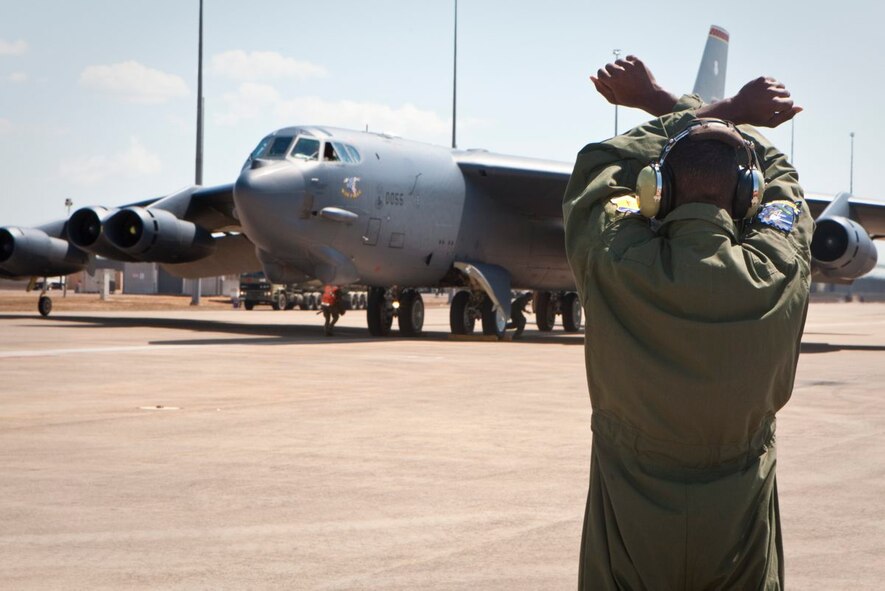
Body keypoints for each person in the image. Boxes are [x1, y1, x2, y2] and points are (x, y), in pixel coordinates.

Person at [564, 55, 811, 589]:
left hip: (627, 530)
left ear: (658, 190)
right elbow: (784, 181)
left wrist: (679, 109)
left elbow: (599, 166)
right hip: (739, 534)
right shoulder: (779, 266)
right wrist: (730, 113)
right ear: (747, 193)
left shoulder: (613, 258)